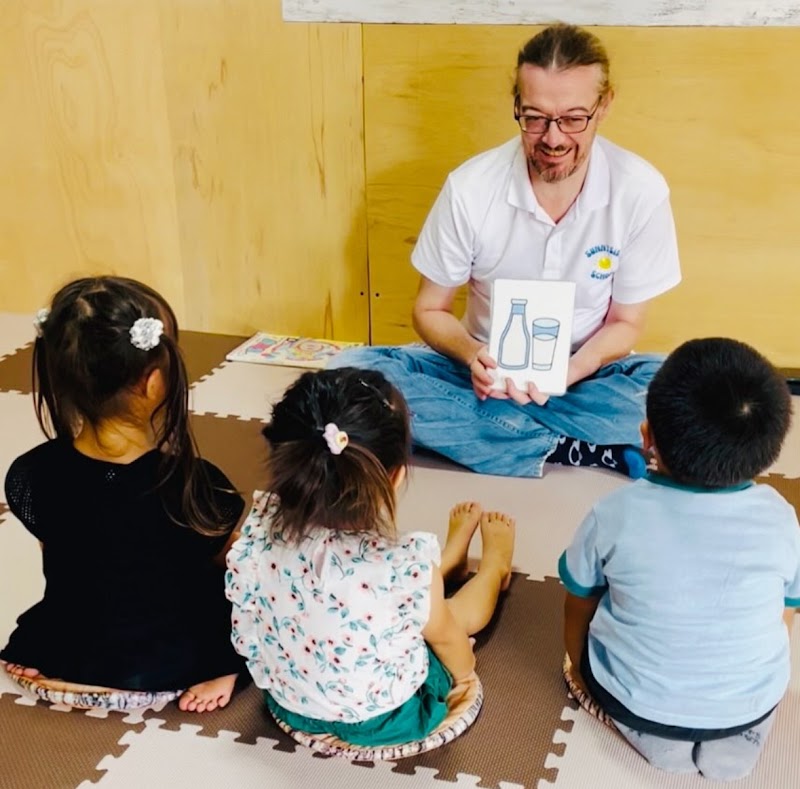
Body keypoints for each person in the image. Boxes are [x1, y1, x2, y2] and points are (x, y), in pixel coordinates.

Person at [330, 23, 681, 479]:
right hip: (480, 375)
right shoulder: (471, 188)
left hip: (587, 375)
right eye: (535, 118)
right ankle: (577, 447)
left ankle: (499, 436)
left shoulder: (640, 190)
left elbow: (626, 323)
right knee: (347, 372)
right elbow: (430, 310)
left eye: (574, 118)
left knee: (683, 386)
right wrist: (472, 354)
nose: (553, 138)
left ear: (605, 105)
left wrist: (570, 371)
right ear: (516, 104)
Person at [225, 367, 515, 746]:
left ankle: (450, 559)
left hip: (293, 703)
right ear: (394, 477)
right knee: (448, 616)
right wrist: (463, 675)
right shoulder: (400, 566)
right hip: (386, 718)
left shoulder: (258, 532)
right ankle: (494, 569)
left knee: (409, 595)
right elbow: (447, 642)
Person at [0, 276, 246, 713]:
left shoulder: (31, 471)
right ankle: (220, 667)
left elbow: (66, 556)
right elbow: (232, 567)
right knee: (239, 584)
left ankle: (55, 647)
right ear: (151, 383)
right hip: (170, 659)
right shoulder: (195, 483)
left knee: (79, 583)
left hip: (75, 645)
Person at [559, 337, 798, 781]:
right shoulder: (781, 518)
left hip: (636, 701)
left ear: (646, 436)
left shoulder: (614, 514)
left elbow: (579, 599)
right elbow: (786, 610)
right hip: (750, 702)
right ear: (769, 453)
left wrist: (578, 667)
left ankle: (654, 734)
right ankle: (734, 732)